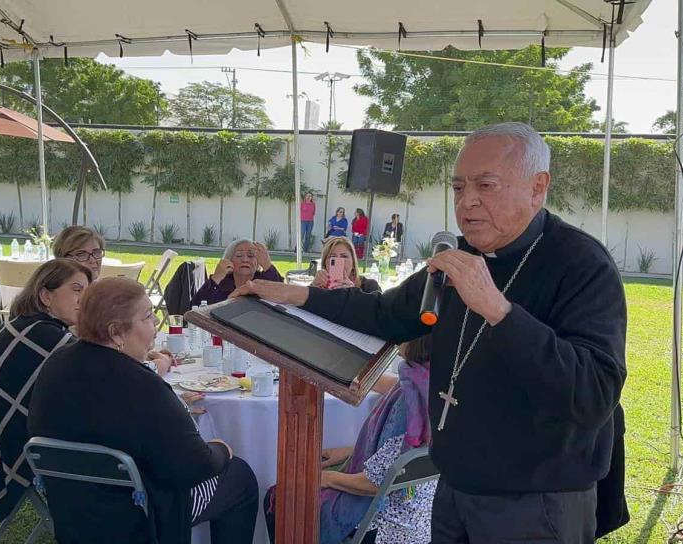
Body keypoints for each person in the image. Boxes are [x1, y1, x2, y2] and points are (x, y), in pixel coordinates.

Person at [234, 122, 628, 543]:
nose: (467, 202)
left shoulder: (581, 265)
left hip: (535, 501)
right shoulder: (460, 257)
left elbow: (594, 392)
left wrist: (498, 310)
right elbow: (383, 313)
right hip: (454, 487)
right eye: (458, 188)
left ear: (537, 187)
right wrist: (298, 296)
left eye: (485, 185)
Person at [28, 277, 259, 543]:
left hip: (72, 510)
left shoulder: (56, 364)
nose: (155, 326)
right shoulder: (140, 384)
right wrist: (221, 449)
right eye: (148, 317)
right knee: (239, 477)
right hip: (140, 515)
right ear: (116, 332)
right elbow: (195, 465)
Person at [264, 335, 434, 544]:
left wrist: (324, 478)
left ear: (417, 340)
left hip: (384, 524)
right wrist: (348, 451)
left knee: (282, 495)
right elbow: (398, 453)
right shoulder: (431, 383)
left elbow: (377, 482)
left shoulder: (408, 403)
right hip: (425, 520)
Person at [0, 259, 92, 524]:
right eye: (76, 289)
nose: (85, 299)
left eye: (87, 291)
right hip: (24, 448)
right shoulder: (53, 341)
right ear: (46, 295)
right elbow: (104, 382)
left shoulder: (22, 325)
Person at [190, 239, 281, 306]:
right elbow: (195, 307)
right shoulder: (222, 282)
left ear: (258, 262)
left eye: (250, 255)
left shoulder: (264, 280)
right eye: (239, 255)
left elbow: (281, 294)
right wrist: (216, 278)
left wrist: (267, 266)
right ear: (229, 260)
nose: (245, 260)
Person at [312, 237, 381, 294]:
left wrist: (353, 293)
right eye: (333, 257)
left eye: (344, 256)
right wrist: (312, 288)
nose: (339, 261)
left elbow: (380, 309)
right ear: (325, 263)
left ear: (353, 262)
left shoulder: (369, 286)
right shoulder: (320, 287)